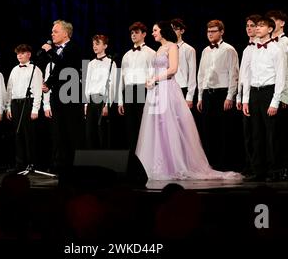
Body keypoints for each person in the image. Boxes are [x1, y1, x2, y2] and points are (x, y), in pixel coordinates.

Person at [135, 21, 242, 180]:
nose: (153, 33)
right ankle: (158, 164)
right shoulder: (158, 49)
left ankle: (175, 165)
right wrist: (150, 80)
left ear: (162, 31)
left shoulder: (172, 47)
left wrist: (156, 78)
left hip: (168, 89)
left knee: (170, 127)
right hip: (156, 91)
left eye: (155, 30)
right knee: (157, 128)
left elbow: (173, 69)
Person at [242, 17, 286, 181]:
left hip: (269, 92)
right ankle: (258, 170)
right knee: (256, 134)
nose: (258, 28)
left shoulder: (276, 49)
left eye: (261, 26)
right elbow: (247, 75)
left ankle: (274, 170)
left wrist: (275, 101)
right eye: (257, 26)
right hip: (254, 93)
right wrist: (245, 99)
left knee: (271, 134)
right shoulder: (252, 49)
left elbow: (280, 77)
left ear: (269, 29)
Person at [40, 19, 83, 177]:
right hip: (58, 95)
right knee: (59, 131)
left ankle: (74, 166)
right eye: (52, 31)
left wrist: (50, 51)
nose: (52, 34)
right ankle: (61, 165)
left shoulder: (74, 48)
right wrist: (48, 84)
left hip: (71, 95)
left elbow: (66, 65)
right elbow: (57, 70)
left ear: (66, 33)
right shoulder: (58, 51)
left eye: (55, 31)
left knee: (71, 130)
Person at [196, 20, 239, 170]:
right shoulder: (205, 51)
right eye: (208, 31)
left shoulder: (229, 50)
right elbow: (201, 74)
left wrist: (230, 96)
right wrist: (200, 96)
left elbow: (233, 74)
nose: (210, 34)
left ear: (221, 32)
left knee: (223, 130)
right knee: (208, 130)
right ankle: (210, 163)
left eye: (213, 31)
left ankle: (224, 163)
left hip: (222, 93)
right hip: (208, 93)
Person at [266, 10, 288, 179]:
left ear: (282, 23)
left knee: (281, 132)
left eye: (273, 21)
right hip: (267, 93)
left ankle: (284, 167)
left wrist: (284, 97)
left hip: (281, 96)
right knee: (269, 133)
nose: (270, 24)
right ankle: (270, 166)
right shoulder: (266, 44)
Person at [117, 22, 155, 153]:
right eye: (132, 33)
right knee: (130, 126)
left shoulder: (151, 53)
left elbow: (153, 74)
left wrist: (150, 94)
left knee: (142, 125)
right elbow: (121, 78)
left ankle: (145, 157)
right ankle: (133, 157)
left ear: (144, 34)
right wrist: (120, 101)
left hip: (142, 89)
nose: (133, 35)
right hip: (128, 90)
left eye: (136, 32)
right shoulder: (126, 55)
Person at [6, 44, 43, 171]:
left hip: (28, 102)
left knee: (29, 135)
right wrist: (8, 107)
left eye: (22, 53)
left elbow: (38, 90)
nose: (19, 55)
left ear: (29, 54)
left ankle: (32, 162)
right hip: (16, 103)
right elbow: (9, 89)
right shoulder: (14, 69)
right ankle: (19, 163)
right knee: (18, 134)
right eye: (18, 53)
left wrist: (35, 109)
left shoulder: (35, 69)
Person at [236, 14, 262, 175]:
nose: (249, 28)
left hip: (256, 92)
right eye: (247, 26)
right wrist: (239, 96)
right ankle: (250, 163)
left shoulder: (261, 48)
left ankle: (257, 166)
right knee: (247, 133)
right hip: (245, 94)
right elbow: (243, 75)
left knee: (256, 132)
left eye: (253, 25)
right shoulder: (247, 49)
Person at [84, 34, 117, 149]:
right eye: (93, 44)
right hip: (92, 100)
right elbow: (87, 83)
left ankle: (103, 158)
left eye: (97, 44)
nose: (94, 46)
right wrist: (86, 103)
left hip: (103, 100)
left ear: (105, 46)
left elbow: (112, 85)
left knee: (102, 131)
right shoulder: (91, 64)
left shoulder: (111, 63)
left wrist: (107, 104)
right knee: (90, 132)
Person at [171, 18, 197, 109]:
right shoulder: (165, 49)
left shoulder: (189, 49)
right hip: (168, 89)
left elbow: (192, 75)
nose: (172, 32)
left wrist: (189, 97)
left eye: (175, 29)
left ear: (182, 31)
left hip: (182, 88)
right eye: (171, 29)